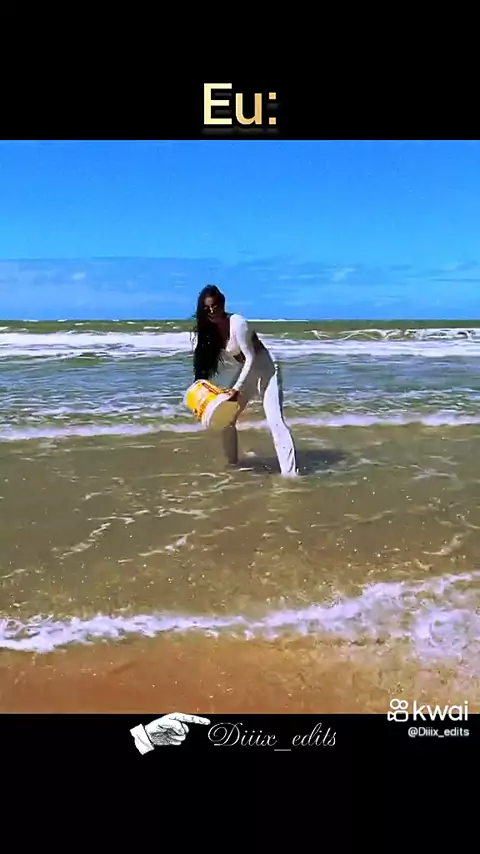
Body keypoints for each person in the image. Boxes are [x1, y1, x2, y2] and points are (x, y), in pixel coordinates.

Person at [192, 285, 298, 477]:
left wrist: (236, 388)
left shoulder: (237, 323)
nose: (212, 311)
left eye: (215, 306)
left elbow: (250, 357)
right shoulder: (211, 331)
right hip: (248, 373)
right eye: (207, 308)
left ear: (222, 304)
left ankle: (290, 475)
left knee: (275, 422)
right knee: (227, 418)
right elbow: (205, 363)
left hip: (267, 369)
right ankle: (233, 466)